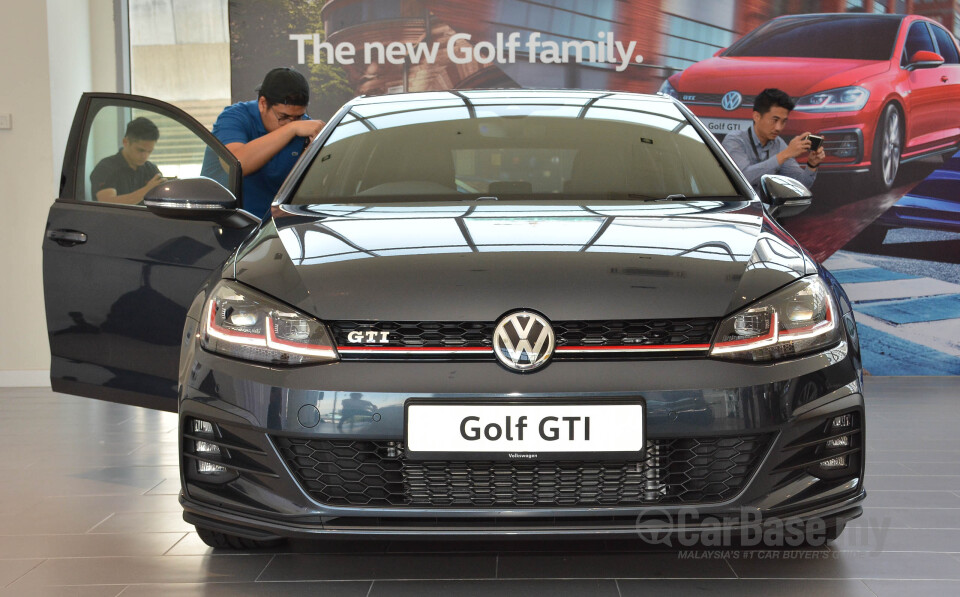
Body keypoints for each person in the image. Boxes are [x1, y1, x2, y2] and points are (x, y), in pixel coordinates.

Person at [201, 67, 325, 218]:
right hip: (224, 223)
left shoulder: (305, 129)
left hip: (274, 226)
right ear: (262, 103)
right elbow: (236, 164)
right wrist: (292, 129)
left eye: (298, 116)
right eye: (283, 116)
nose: (290, 122)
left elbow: (308, 190)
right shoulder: (234, 117)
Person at [721, 88, 825, 191]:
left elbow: (800, 186)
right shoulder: (735, 140)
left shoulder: (779, 143)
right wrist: (785, 154)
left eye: (783, 121)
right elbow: (742, 179)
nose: (779, 128)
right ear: (756, 116)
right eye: (774, 120)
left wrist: (812, 165)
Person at [90, 117, 164, 204]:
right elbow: (108, 203)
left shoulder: (151, 169)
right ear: (125, 142)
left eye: (149, 151)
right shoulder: (105, 167)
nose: (145, 156)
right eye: (140, 150)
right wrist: (147, 190)